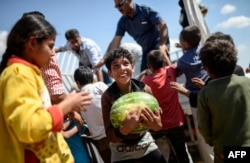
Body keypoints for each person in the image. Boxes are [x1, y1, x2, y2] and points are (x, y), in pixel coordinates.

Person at [0, 14, 92, 163]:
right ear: (33, 43)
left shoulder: (29, 73)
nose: (52, 52)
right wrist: (66, 106)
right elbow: (29, 127)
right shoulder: (19, 74)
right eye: (50, 46)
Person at [101, 47, 166, 163]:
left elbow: (157, 126)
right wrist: (125, 128)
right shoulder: (107, 97)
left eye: (126, 64)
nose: (122, 69)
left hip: (145, 142)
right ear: (110, 73)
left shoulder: (145, 90)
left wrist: (156, 126)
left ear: (133, 67)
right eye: (116, 66)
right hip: (120, 149)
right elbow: (111, 137)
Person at [197, 35, 250, 163]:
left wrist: (213, 143)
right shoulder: (246, 82)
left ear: (206, 68)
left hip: (224, 153)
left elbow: (204, 128)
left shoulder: (205, 93)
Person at [141, 50, 192, 163]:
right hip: (176, 123)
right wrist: (165, 55)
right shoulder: (170, 71)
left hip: (158, 125)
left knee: (163, 157)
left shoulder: (146, 81)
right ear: (163, 61)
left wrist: (143, 74)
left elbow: (139, 90)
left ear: (149, 66)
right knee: (182, 154)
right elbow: (172, 66)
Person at [94, 0, 171, 72]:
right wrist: (104, 60)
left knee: (163, 71)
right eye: (116, 6)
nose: (119, 9)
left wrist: (163, 45)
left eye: (120, 4)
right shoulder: (122, 22)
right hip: (146, 49)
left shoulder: (145, 10)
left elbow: (163, 26)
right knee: (144, 75)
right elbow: (115, 41)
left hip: (158, 44)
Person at [176, 25, 212, 163]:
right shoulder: (206, 51)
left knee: (203, 136)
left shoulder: (183, 61)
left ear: (185, 43)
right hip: (210, 94)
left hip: (195, 99)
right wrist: (184, 46)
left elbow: (174, 70)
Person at [74, 66, 111, 163]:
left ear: (77, 83)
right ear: (92, 78)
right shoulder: (100, 86)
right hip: (112, 133)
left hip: (99, 140)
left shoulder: (77, 99)